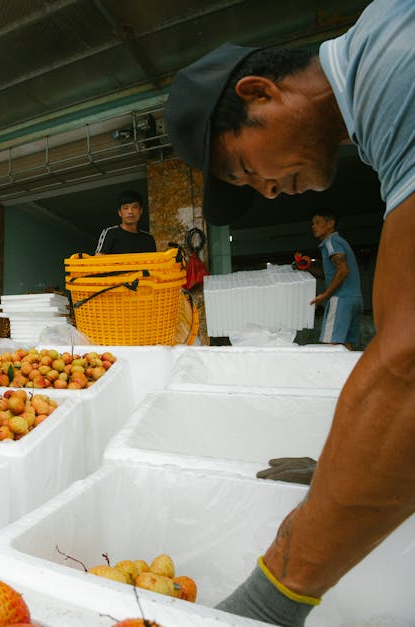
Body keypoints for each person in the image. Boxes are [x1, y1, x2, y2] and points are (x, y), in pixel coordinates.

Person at [164, 0, 415, 624]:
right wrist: (348, 466)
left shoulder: (396, 72)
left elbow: (408, 360)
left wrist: (273, 598)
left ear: (260, 93)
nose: (269, 190)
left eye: (248, 168)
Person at [308, 210, 363, 349]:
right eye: (312, 223)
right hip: (355, 299)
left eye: (318, 222)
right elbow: (329, 274)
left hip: (341, 299)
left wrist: (325, 295)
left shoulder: (331, 241)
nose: (313, 226)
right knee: (346, 346)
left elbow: (343, 270)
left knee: (332, 347)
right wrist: (308, 266)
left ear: (330, 223)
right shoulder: (340, 241)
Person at [94, 189, 157, 255]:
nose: (130, 212)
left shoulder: (148, 239)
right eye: (125, 208)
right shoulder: (110, 233)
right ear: (119, 212)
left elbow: (154, 262)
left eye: (135, 207)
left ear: (141, 211)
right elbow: (99, 259)